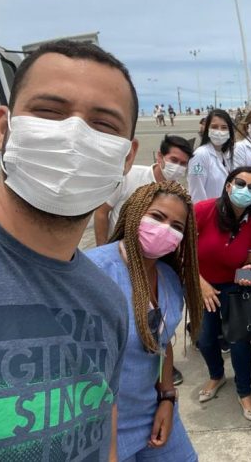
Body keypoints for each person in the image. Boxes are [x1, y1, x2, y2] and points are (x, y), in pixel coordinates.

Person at [0, 40, 140, 460]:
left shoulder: (107, 300)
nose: (74, 136)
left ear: (126, 159)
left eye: (104, 125)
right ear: (3, 128)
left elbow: (102, 428)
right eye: (49, 111)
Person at [86, 181, 202, 461]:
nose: (165, 230)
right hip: (102, 428)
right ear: (134, 213)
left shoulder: (170, 279)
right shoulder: (94, 273)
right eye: (158, 217)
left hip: (152, 413)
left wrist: (167, 397)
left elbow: (162, 342)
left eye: (176, 226)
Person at [195, 167, 251, 422]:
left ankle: (244, 390)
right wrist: (201, 284)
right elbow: (181, 252)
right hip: (203, 286)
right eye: (240, 183)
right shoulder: (202, 210)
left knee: (239, 342)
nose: (246, 190)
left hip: (233, 289)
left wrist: (248, 275)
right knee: (206, 339)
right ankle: (216, 375)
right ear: (228, 185)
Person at [95, 134, 192, 246]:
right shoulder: (130, 176)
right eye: (174, 160)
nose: (178, 167)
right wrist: (102, 248)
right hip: (117, 248)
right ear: (160, 156)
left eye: (183, 164)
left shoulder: (180, 194)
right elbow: (102, 211)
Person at [187, 109, 235, 203]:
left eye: (224, 127)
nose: (219, 131)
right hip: (208, 214)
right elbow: (197, 194)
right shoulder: (200, 155)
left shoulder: (223, 154)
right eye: (214, 127)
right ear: (207, 129)